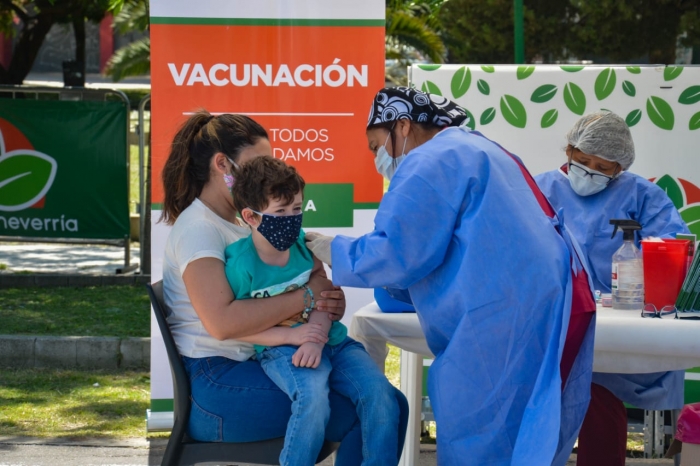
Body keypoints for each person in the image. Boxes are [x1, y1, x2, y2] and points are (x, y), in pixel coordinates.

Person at [305, 86, 596, 466]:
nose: (377, 157)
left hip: (506, 313)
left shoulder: (431, 160)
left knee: (483, 425)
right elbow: (459, 244)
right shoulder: (478, 147)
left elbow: (397, 250)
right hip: (551, 297)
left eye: (376, 145)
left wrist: (331, 248)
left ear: (403, 126)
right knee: (526, 427)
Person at [159, 110, 408, 465]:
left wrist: (322, 303)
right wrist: (307, 297)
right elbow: (222, 323)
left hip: (250, 363)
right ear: (222, 165)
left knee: (389, 402)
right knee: (361, 411)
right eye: (257, 164)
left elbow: (308, 279)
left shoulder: (243, 222)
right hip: (216, 387)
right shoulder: (200, 229)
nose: (267, 175)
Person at [535, 111, 690, 466]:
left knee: (597, 395)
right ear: (569, 150)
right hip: (555, 316)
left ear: (619, 168)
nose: (590, 172)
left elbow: (673, 245)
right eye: (583, 161)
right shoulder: (539, 189)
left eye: (603, 168)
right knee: (548, 396)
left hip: (621, 317)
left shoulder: (642, 195)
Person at [224, 156, 401, 466]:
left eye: (296, 208)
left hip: (331, 341)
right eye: (280, 211)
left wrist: (314, 337)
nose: (292, 218)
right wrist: (294, 337)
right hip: (280, 349)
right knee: (312, 399)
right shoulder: (240, 264)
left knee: (381, 395)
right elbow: (239, 324)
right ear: (251, 217)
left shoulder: (304, 246)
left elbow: (323, 292)